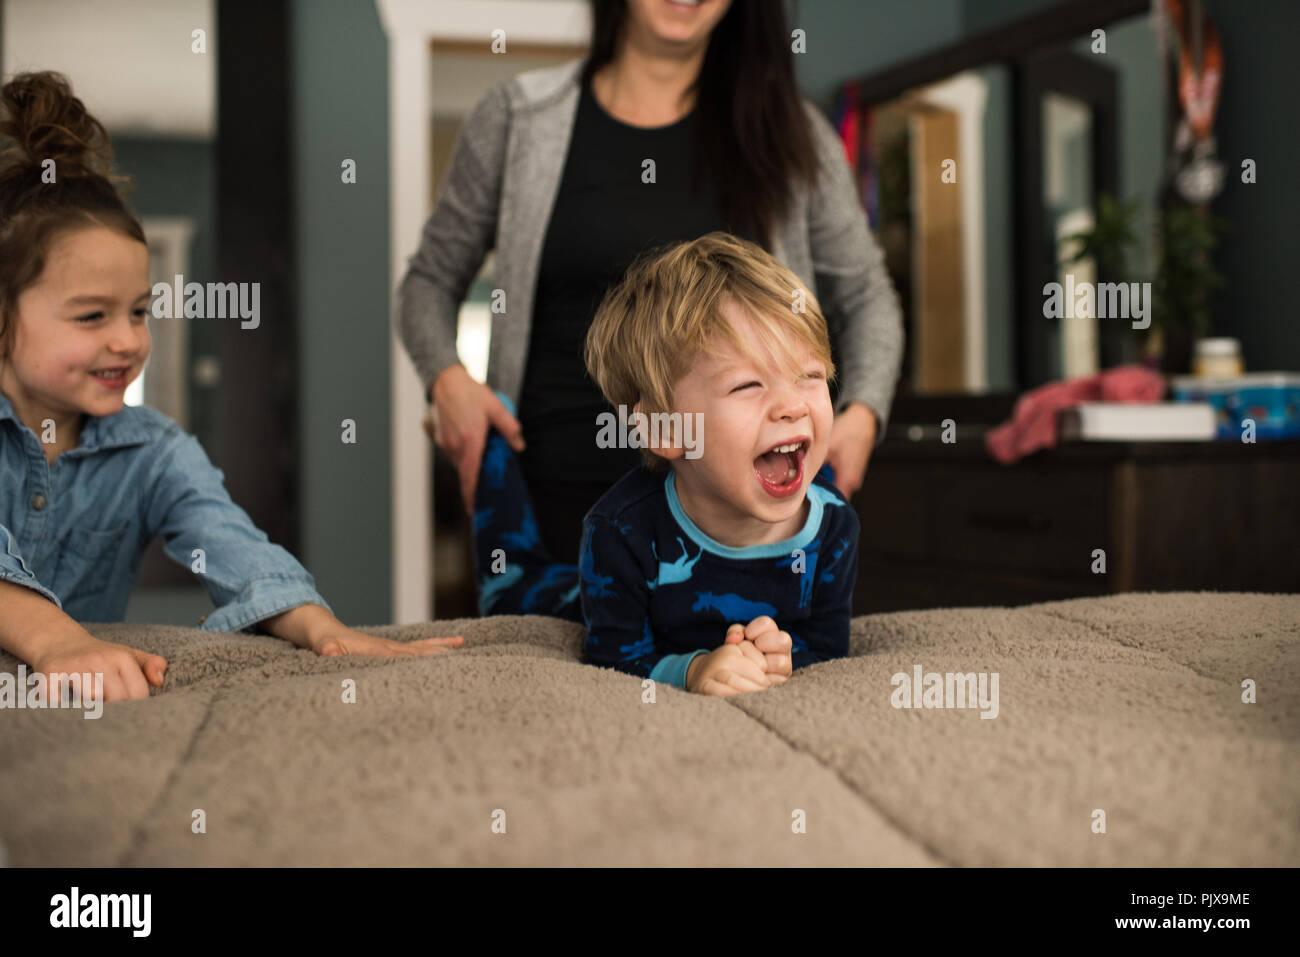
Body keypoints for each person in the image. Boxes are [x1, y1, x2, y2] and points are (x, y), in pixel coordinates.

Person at [398, 0, 901, 585]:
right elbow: (427, 282)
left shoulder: (792, 136)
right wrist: (448, 381)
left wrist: (861, 415)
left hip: (744, 533)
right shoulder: (516, 119)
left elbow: (868, 295)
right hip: (552, 515)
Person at [0, 72, 462, 703]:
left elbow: (230, 543)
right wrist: (58, 642)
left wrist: (322, 629)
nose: (129, 340)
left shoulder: (153, 451)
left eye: (139, 311)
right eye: (91, 316)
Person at [471, 232, 858, 696]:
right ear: (664, 431)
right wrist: (693, 671)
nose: (792, 406)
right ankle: (494, 439)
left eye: (810, 376)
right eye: (748, 385)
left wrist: (782, 658)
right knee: (510, 581)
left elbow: (826, 649)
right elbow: (616, 660)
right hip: (571, 594)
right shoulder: (616, 532)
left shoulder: (835, 525)